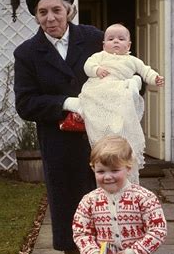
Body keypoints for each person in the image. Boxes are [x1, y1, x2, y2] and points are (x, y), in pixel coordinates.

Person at [13, 0, 104, 254]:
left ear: (69, 9)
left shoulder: (95, 39)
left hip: (102, 144)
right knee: (70, 217)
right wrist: (68, 102)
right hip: (60, 148)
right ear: (36, 17)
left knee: (106, 214)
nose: (50, 17)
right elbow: (25, 104)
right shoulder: (27, 53)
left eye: (56, 10)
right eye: (42, 12)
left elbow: (126, 74)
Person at [65, 23, 165, 183]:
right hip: (99, 87)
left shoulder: (132, 60)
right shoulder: (100, 56)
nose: (115, 42)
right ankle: (100, 128)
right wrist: (96, 70)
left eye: (121, 39)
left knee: (122, 113)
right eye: (110, 39)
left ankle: (117, 134)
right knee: (92, 100)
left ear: (129, 44)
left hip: (119, 88)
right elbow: (87, 65)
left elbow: (146, 70)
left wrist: (155, 78)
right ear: (104, 44)